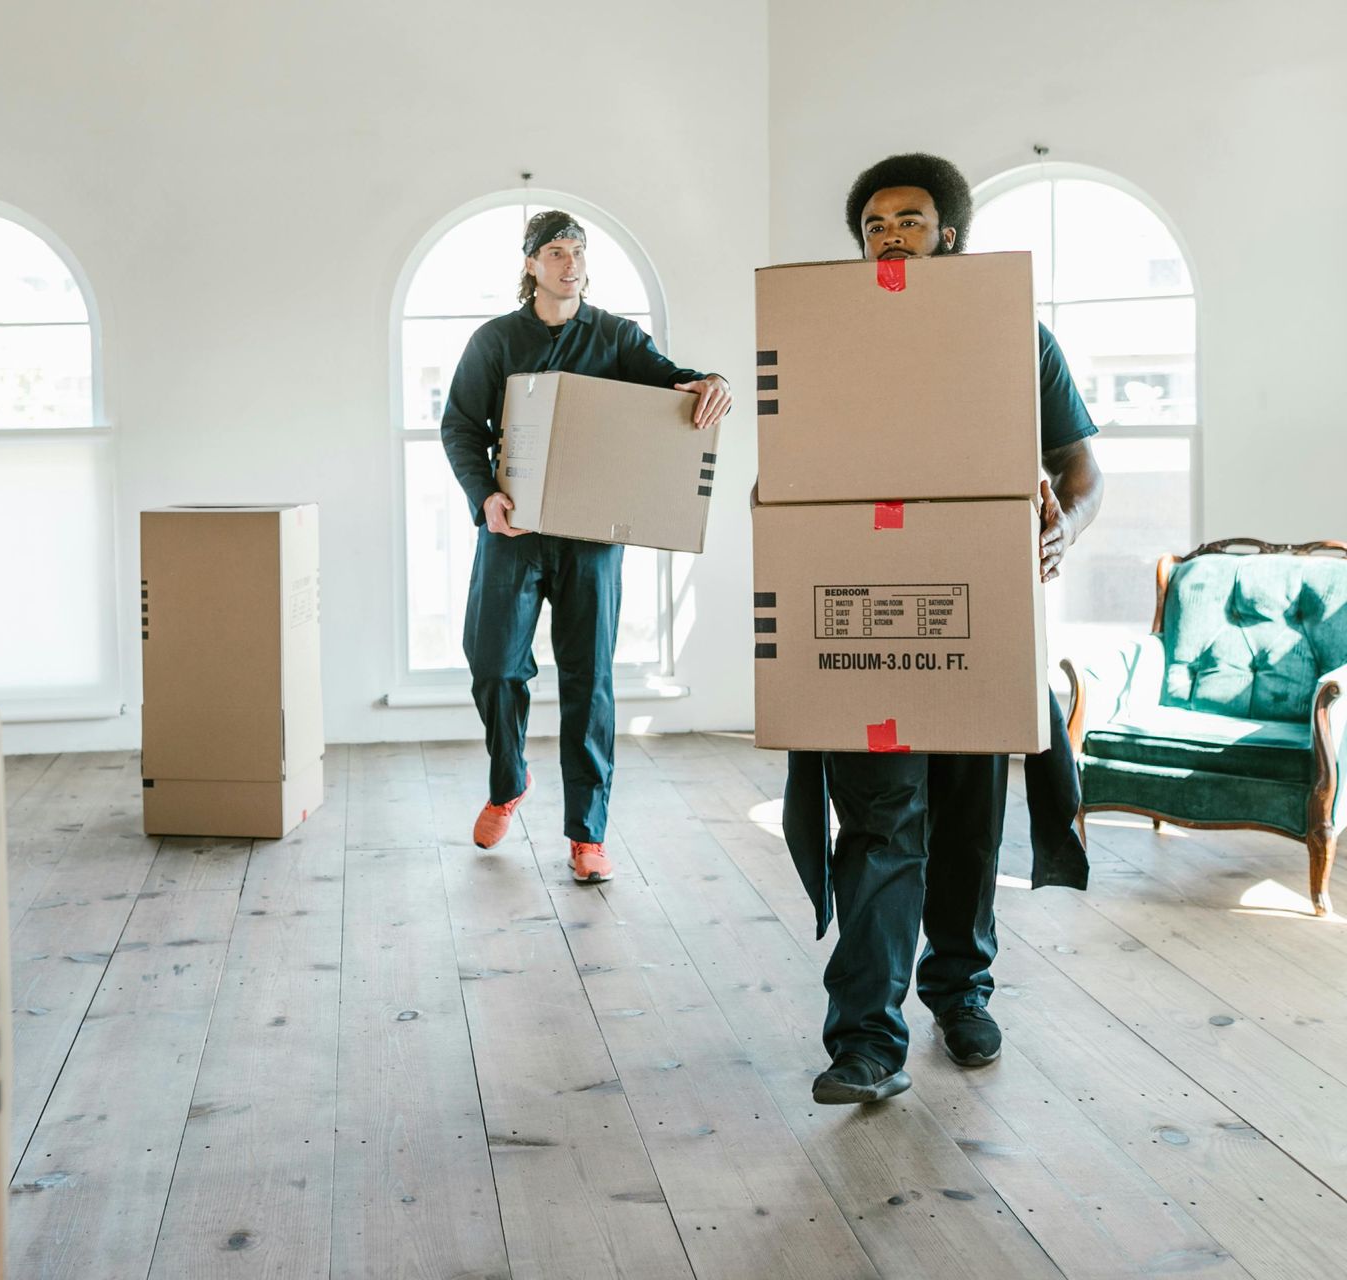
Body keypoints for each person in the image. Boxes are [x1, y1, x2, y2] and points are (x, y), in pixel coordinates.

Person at [790, 154, 1103, 1105]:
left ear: (949, 234)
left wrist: (1063, 533)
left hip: (980, 617)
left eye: (911, 219)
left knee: (968, 828)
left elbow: (1082, 475)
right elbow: (795, 478)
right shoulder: (825, 344)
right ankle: (866, 1043)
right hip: (865, 620)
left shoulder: (1017, 338)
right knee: (880, 826)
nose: (891, 232)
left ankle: (962, 995)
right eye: (876, 222)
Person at [439, 209, 730, 884]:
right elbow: (459, 426)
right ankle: (509, 781)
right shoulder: (495, 341)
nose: (572, 264)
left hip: (592, 538)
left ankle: (587, 834)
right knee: (493, 663)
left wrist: (711, 381)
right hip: (513, 531)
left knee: (588, 682)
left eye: (580, 252)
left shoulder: (618, 336)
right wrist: (486, 497)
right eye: (558, 252)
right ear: (531, 264)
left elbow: (671, 383)